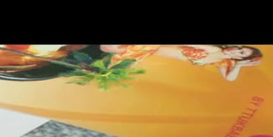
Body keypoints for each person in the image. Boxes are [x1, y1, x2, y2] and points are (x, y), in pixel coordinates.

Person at [100, 45, 264, 81]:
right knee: (109, 48)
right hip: (150, 46)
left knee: (109, 57)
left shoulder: (222, 61)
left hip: (148, 53)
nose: (236, 49)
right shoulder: (215, 50)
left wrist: (240, 66)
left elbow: (230, 79)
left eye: (240, 53)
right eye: (240, 48)